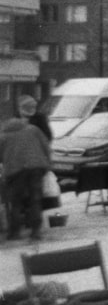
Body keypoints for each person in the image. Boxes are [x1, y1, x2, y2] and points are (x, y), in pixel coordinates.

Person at [1, 96, 52, 241]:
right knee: (35, 200)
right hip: (36, 168)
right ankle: (35, 231)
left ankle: (14, 232)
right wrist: (48, 164)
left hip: (15, 170)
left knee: (15, 202)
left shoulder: (3, 135)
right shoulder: (33, 129)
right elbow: (46, 146)